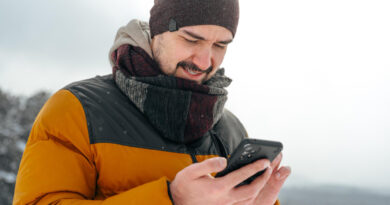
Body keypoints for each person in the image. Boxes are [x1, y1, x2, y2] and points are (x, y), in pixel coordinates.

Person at [13, 0, 291, 204]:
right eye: (191, 39)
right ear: (157, 31)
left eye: (220, 45)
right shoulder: (77, 109)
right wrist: (171, 199)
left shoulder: (229, 128)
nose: (206, 61)